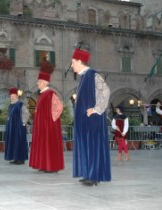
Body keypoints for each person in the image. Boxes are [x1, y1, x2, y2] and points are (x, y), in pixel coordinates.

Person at [71, 48, 111, 186]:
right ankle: (88, 173)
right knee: (86, 147)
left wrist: (96, 109)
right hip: (84, 120)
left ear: (80, 61)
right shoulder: (83, 77)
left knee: (92, 146)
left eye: (73, 62)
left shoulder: (93, 75)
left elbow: (105, 91)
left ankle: (94, 176)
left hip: (92, 119)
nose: (71, 65)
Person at [29, 72, 64, 173]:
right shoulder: (42, 95)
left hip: (48, 126)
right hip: (41, 126)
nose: (37, 83)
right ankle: (44, 165)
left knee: (49, 146)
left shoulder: (50, 93)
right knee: (43, 146)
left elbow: (59, 107)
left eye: (39, 82)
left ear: (45, 82)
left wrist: (52, 121)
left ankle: (52, 166)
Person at [4, 88, 30, 165]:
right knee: (13, 142)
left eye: (13, 96)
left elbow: (26, 113)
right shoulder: (10, 106)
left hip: (18, 127)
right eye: (11, 96)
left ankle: (21, 159)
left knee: (19, 142)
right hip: (11, 128)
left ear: (17, 96)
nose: (12, 97)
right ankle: (15, 158)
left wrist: (23, 122)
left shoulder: (20, 104)